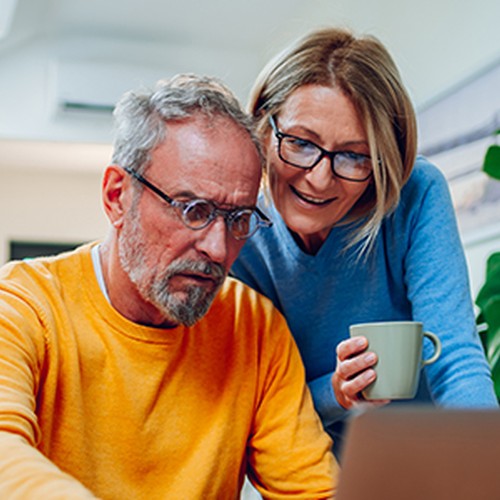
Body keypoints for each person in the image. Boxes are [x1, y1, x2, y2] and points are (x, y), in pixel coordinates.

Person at [0, 74, 337, 498]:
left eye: (239, 220)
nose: (218, 248)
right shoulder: (24, 304)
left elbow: (314, 491)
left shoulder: (254, 328)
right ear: (117, 196)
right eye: (193, 209)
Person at [231, 27, 498, 456]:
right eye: (300, 143)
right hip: (316, 473)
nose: (319, 179)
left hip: (431, 458)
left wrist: (487, 460)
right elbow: (255, 411)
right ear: (263, 127)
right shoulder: (238, 235)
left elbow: (456, 360)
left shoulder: (415, 195)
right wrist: (335, 393)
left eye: (353, 156)